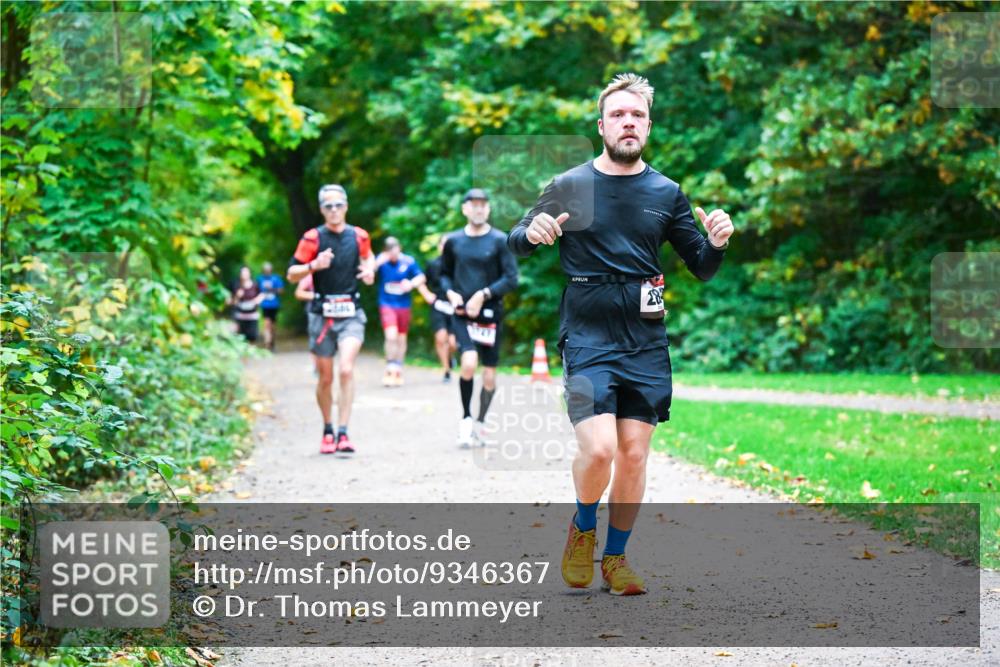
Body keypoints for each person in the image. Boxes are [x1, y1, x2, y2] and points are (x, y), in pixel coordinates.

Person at [507, 73, 734, 596]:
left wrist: (716, 243)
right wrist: (533, 232)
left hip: (645, 335)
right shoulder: (571, 185)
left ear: (648, 126)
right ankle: (583, 527)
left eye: (637, 116)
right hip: (587, 331)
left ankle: (615, 558)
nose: (627, 123)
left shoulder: (666, 192)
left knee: (634, 453)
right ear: (602, 125)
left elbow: (700, 265)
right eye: (618, 115)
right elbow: (515, 240)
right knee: (601, 448)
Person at [286, 184, 375, 455]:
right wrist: (313, 266)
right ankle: (328, 429)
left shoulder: (359, 235)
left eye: (338, 205)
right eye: (328, 206)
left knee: (346, 369)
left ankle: (344, 432)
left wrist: (370, 269)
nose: (334, 210)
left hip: (351, 313)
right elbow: (291, 274)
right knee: (325, 378)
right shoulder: (312, 238)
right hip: (322, 316)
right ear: (322, 209)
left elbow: (368, 255)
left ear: (346, 206)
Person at [441, 188, 519, 448]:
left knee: (489, 375)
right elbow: (443, 274)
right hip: (463, 314)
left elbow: (511, 279)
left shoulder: (499, 241)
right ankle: (465, 421)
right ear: (464, 209)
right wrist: (451, 293)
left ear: (489, 209)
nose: (479, 209)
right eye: (474, 205)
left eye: (483, 205)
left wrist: (483, 295)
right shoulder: (453, 241)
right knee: (468, 362)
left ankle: (481, 422)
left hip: (490, 315)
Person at [374, 237, 426, 387]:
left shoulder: (408, 261)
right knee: (391, 336)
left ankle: (398, 369)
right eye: (389, 251)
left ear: (399, 248)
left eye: (395, 250)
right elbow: (368, 271)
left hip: (403, 305)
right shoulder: (381, 261)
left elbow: (421, 277)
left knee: (401, 338)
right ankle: (390, 368)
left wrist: (410, 283)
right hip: (387, 304)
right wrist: (378, 262)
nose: (393, 254)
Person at [418, 235, 459, 383]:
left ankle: (450, 357)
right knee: (441, 338)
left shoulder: (459, 263)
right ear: (439, 247)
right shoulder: (433, 264)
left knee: (453, 343)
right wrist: (426, 294)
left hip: (455, 307)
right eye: (444, 245)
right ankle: (446, 371)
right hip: (438, 305)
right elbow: (420, 281)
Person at [231, 266, 263, 343]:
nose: (244, 274)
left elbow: (262, 294)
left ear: (249, 274)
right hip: (241, 316)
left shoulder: (255, 284)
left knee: (252, 337)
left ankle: (251, 352)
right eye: (243, 273)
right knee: (242, 338)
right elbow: (234, 302)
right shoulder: (237, 285)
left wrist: (257, 300)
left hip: (252, 315)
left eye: (246, 272)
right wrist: (237, 296)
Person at [257, 262, 284, 351]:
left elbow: (281, 290)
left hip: (274, 305)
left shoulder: (276, 278)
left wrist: (271, 290)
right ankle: (267, 344)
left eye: (268, 269)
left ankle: (272, 342)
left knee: (273, 326)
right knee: (266, 324)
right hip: (265, 305)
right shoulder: (260, 279)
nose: (267, 271)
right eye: (265, 270)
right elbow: (256, 290)